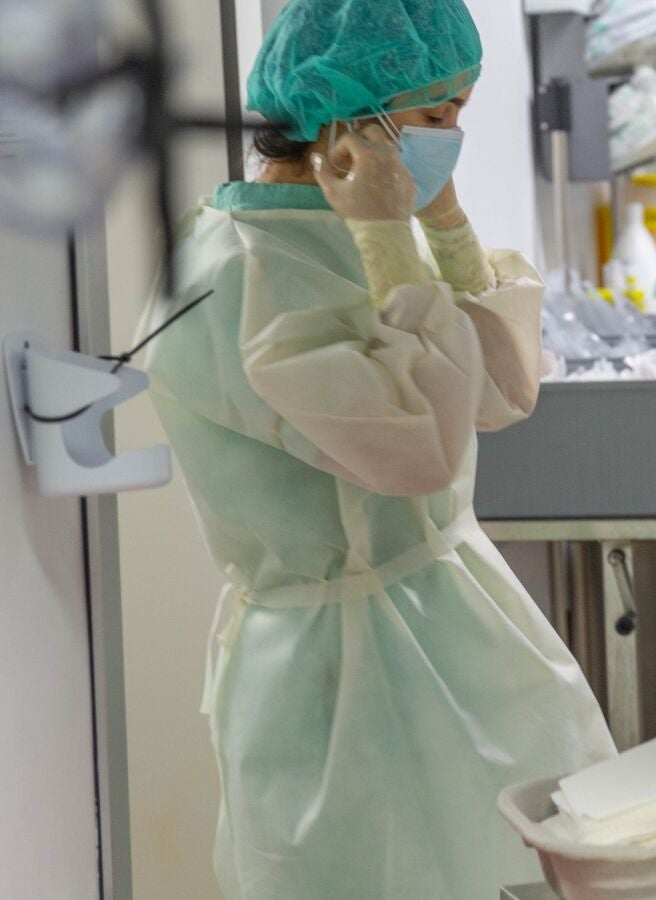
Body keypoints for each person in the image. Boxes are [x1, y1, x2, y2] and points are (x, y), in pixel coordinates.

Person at [138, 0, 614, 896]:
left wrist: (443, 226)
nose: (451, 136)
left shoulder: (344, 231)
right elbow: (417, 444)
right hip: (334, 674)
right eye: (435, 113)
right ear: (343, 117)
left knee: (523, 864)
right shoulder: (241, 271)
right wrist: (394, 239)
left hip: (455, 623)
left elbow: (500, 391)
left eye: (460, 111)